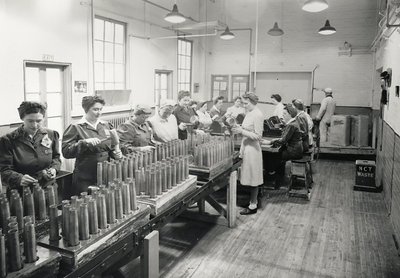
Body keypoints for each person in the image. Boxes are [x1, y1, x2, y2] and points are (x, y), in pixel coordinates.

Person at [62, 96, 122, 196]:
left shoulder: (106, 125)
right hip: (85, 175)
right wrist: (84, 142)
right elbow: (66, 152)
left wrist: (115, 154)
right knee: (85, 204)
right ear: (86, 109)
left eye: (100, 109)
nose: (99, 112)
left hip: (105, 172)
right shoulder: (76, 127)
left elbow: (111, 147)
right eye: (95, 109)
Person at [0, 101, 61, 191]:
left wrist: (54, 169)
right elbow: (4, 170)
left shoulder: (51, 134)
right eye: (30, 121)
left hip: (48, 189)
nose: (35, 125)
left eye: (39, 121)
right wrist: (19, 178)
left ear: (43, 118)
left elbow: (56, 158)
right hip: (21, 193)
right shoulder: (8, 140)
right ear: (22, 118)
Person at [232, 93, 264, 215]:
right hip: (246, 148)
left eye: (246, 103)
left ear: (253, 102)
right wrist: (239, 127)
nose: (244, 106)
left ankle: (253, 205)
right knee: (249, 177)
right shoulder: (250, 113)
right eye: (243, 103)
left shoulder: (258, 114)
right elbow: (247, 128)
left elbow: (258, 136)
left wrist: (241, 131)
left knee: (253, 178)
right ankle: (252, 201)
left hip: (253, 150)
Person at [269, 104, 303, 187]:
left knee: (273, 156)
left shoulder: (291, 125)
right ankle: (279, 178)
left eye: (284, 114)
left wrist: (271, 141)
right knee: (277, 157)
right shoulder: (294, 122)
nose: (283, 116)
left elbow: (283, 140)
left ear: (290, 114)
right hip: (297, 149)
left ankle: (274, 180)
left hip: (294, 151)